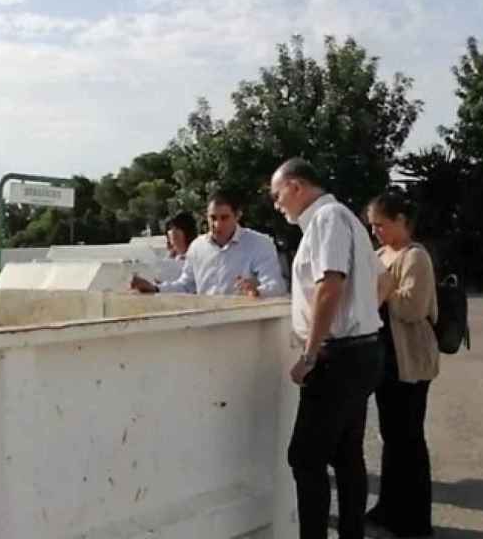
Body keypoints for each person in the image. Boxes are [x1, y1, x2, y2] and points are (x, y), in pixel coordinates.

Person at [270, 158, 384, 539]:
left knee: (304, 457)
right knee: (346, 454)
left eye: (278, 194)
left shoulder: (327, 219)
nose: (277, 204)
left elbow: (329, 284)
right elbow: (380, 283)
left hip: (340, 355)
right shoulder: (346, 218)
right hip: (361, 349)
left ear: (296, 186)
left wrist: (311, 353)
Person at [365, 192, 439, 538]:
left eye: (381, 224)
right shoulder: (380, 255)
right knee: (391, 438)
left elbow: (412, 308)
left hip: (410, 361)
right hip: (386, 362)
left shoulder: (415, 257)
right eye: (372, 226)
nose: (376, 231)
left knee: (410, 441)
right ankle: (388, 509)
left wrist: (383, 288)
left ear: (400, 221)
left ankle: (415, 521)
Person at [130, 191, 285, 297]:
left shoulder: (259, 244)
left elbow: (276, 286)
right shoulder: (197, 247)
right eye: (213, 218)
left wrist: (257, 291)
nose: (217, 224)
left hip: (244, 327)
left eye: (224, 218)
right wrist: (155, 289)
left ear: (237, 216)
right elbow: (186, 285)